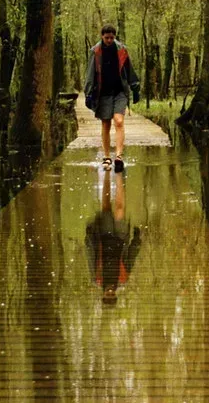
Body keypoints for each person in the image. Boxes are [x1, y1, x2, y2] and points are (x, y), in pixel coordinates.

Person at [84, 25, 140, 172]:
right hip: (103, 93)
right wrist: (88, 93)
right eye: (106, 37)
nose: (109, 40)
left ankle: (119, 156)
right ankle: (107, 157)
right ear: (102, 36)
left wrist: (135, 87)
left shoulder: (122, 50)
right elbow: (90, 73)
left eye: (111, 37)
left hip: (120, 91)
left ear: (115, 37)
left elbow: (129, 69)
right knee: (106, 124)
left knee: (119, 121)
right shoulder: (95, 52)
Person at [85, 165, 142, 305]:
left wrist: (88, 238)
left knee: (105, 205)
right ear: (115, 295)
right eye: (112, 296)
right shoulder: (122, 279)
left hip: (103, 236)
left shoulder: (97, 279)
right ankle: (118, 174)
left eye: (107, 296)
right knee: (120, 208)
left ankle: (107, 172)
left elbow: (91, 256)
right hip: (120, 238)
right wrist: (136, 240)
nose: (110, 293)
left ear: (103, 295)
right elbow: (130, 258)